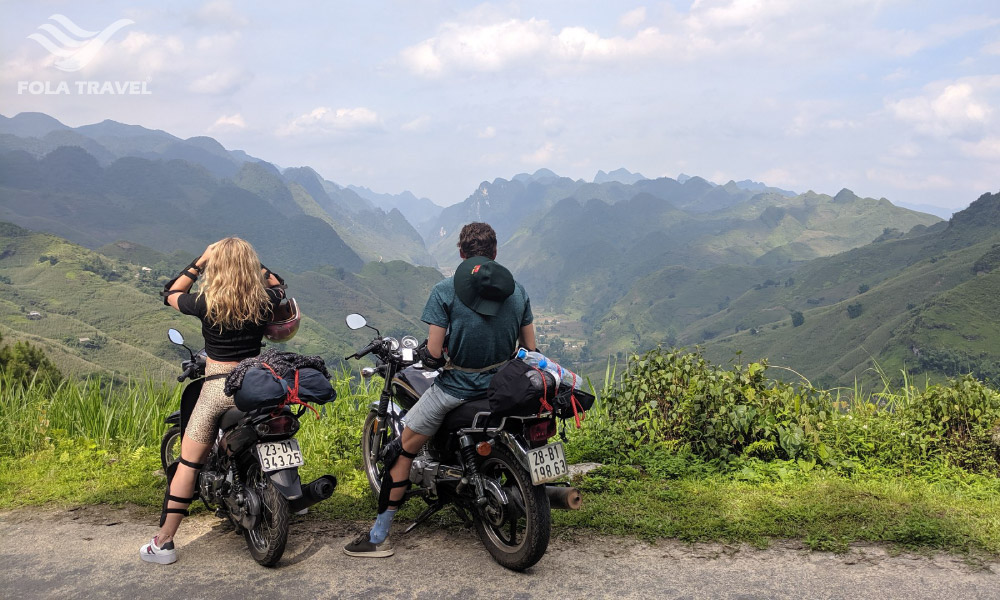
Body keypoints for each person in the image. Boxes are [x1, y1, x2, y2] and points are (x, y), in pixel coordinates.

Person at [344, 222, 536, 558]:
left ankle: (379, 536)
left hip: (455, 391)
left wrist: (430, 354)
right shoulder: (517, 291)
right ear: (495, 253)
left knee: (401, 450)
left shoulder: (445, 291)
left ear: (461, 254)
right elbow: (531, 349)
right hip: (504, 388)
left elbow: (433, 354)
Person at [140, 237, 288, 565]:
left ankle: (164, 543)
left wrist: (200, 260)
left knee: (189, 463)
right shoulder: (266, 299)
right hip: (258, 381)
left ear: (214, 266)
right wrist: (255, 265)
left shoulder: (206, 303)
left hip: (218, 389)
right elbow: (280, 284)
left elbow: (170, 294)